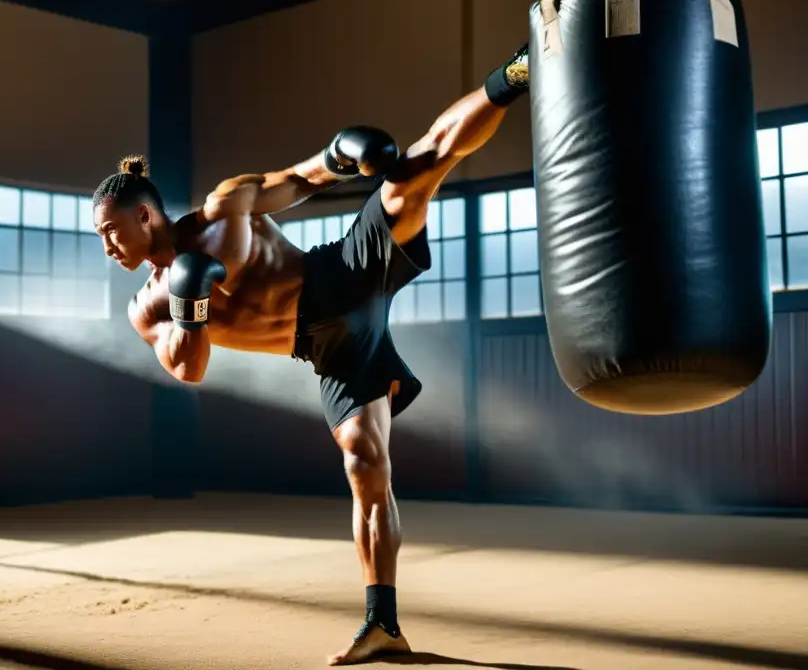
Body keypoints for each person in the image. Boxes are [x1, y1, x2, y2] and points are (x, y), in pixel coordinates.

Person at [92, 43, 530, 665]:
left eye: (111, 231)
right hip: (326, 348)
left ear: (144, 215)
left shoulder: (225, 207)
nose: (108, 246)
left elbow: (302, 179)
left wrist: (342, 156)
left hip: (339, 274)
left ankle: (515, 73)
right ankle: (383, 624)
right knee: (365, 465)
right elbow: (188, 368)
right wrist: (190, 303)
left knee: (415, 171)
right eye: (101, 237)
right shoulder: (147, 309)